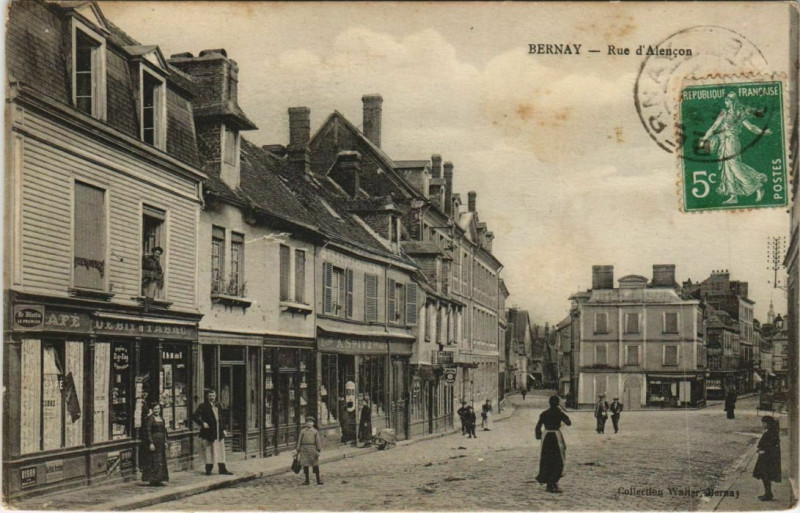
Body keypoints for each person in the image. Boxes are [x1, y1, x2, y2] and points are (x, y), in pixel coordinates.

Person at [698, 91, 770, 205]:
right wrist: (704, 138)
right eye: (725, 100)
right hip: (724, 142)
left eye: (727, 100)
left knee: (735, 166)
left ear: (732, 102)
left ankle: (756, 186)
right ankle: (733, 196)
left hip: (732, 142)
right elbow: (714, 127)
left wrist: (762, 132)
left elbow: (750, 127)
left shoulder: (738, 113)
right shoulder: (726, 113)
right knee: (727, 168)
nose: (725, 102)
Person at [535, 395, 572, 493]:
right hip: (556, 436)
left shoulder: (544, 413)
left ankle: (549, 483)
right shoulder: (559, 413)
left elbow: (538, 427)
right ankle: (554, 482)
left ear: (549, 403)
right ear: (558, 403)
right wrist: (562, 415)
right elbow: (569, 423)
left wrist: (539, 435)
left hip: (546, 436)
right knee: (558, 458)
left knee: (546, 458)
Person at [192, 389, 232, 476]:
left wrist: (224, 429)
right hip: (209, 432)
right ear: (207, 396)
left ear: (215, 396)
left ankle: (222, 469)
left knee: (220, 450)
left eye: (213, 396)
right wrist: (202, 423)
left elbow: (222, 418)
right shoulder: (203, 406)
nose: (212, 397)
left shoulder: (218, 405)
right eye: (210, 396)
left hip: (219, 431)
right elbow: (194, 415)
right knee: (209, 450)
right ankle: (208, 469)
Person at [753, 416, 781, 501]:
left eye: (764, 423)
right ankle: (768, 493)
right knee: (765, 476)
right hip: (766, 457)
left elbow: (772, 445)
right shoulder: (770, 431)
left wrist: (764, 451)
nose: (763, 425)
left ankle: (768, 494)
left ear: (769, 424)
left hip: (768, 458)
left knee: (766, 476)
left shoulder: (772, 433)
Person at [141, 402, 169, 486]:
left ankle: (160, 478)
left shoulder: (161, 418)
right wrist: (151, 443)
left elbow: (164, 431)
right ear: (152, 410)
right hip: (154, 441)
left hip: (161, 442)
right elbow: (148, 431)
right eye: (155, 409)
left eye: (158, 409)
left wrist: (165, 441)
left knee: (161, 459)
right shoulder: (150, 419)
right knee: (154, 460)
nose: (157, 410)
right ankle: (153, 479)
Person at [294, 417, 323, 485]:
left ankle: (318, 480)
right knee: (305, 466)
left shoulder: (315, 432)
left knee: (315, 465)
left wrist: (318, 450)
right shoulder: (303, 431)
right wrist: (297, 450)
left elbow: (318, 441)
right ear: (306, 423)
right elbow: (299, 441)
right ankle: (307, 480)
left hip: (313, 449)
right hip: (304, 450)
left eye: (310, 422)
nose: (309, 423)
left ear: (313, 423)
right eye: (308, 422)